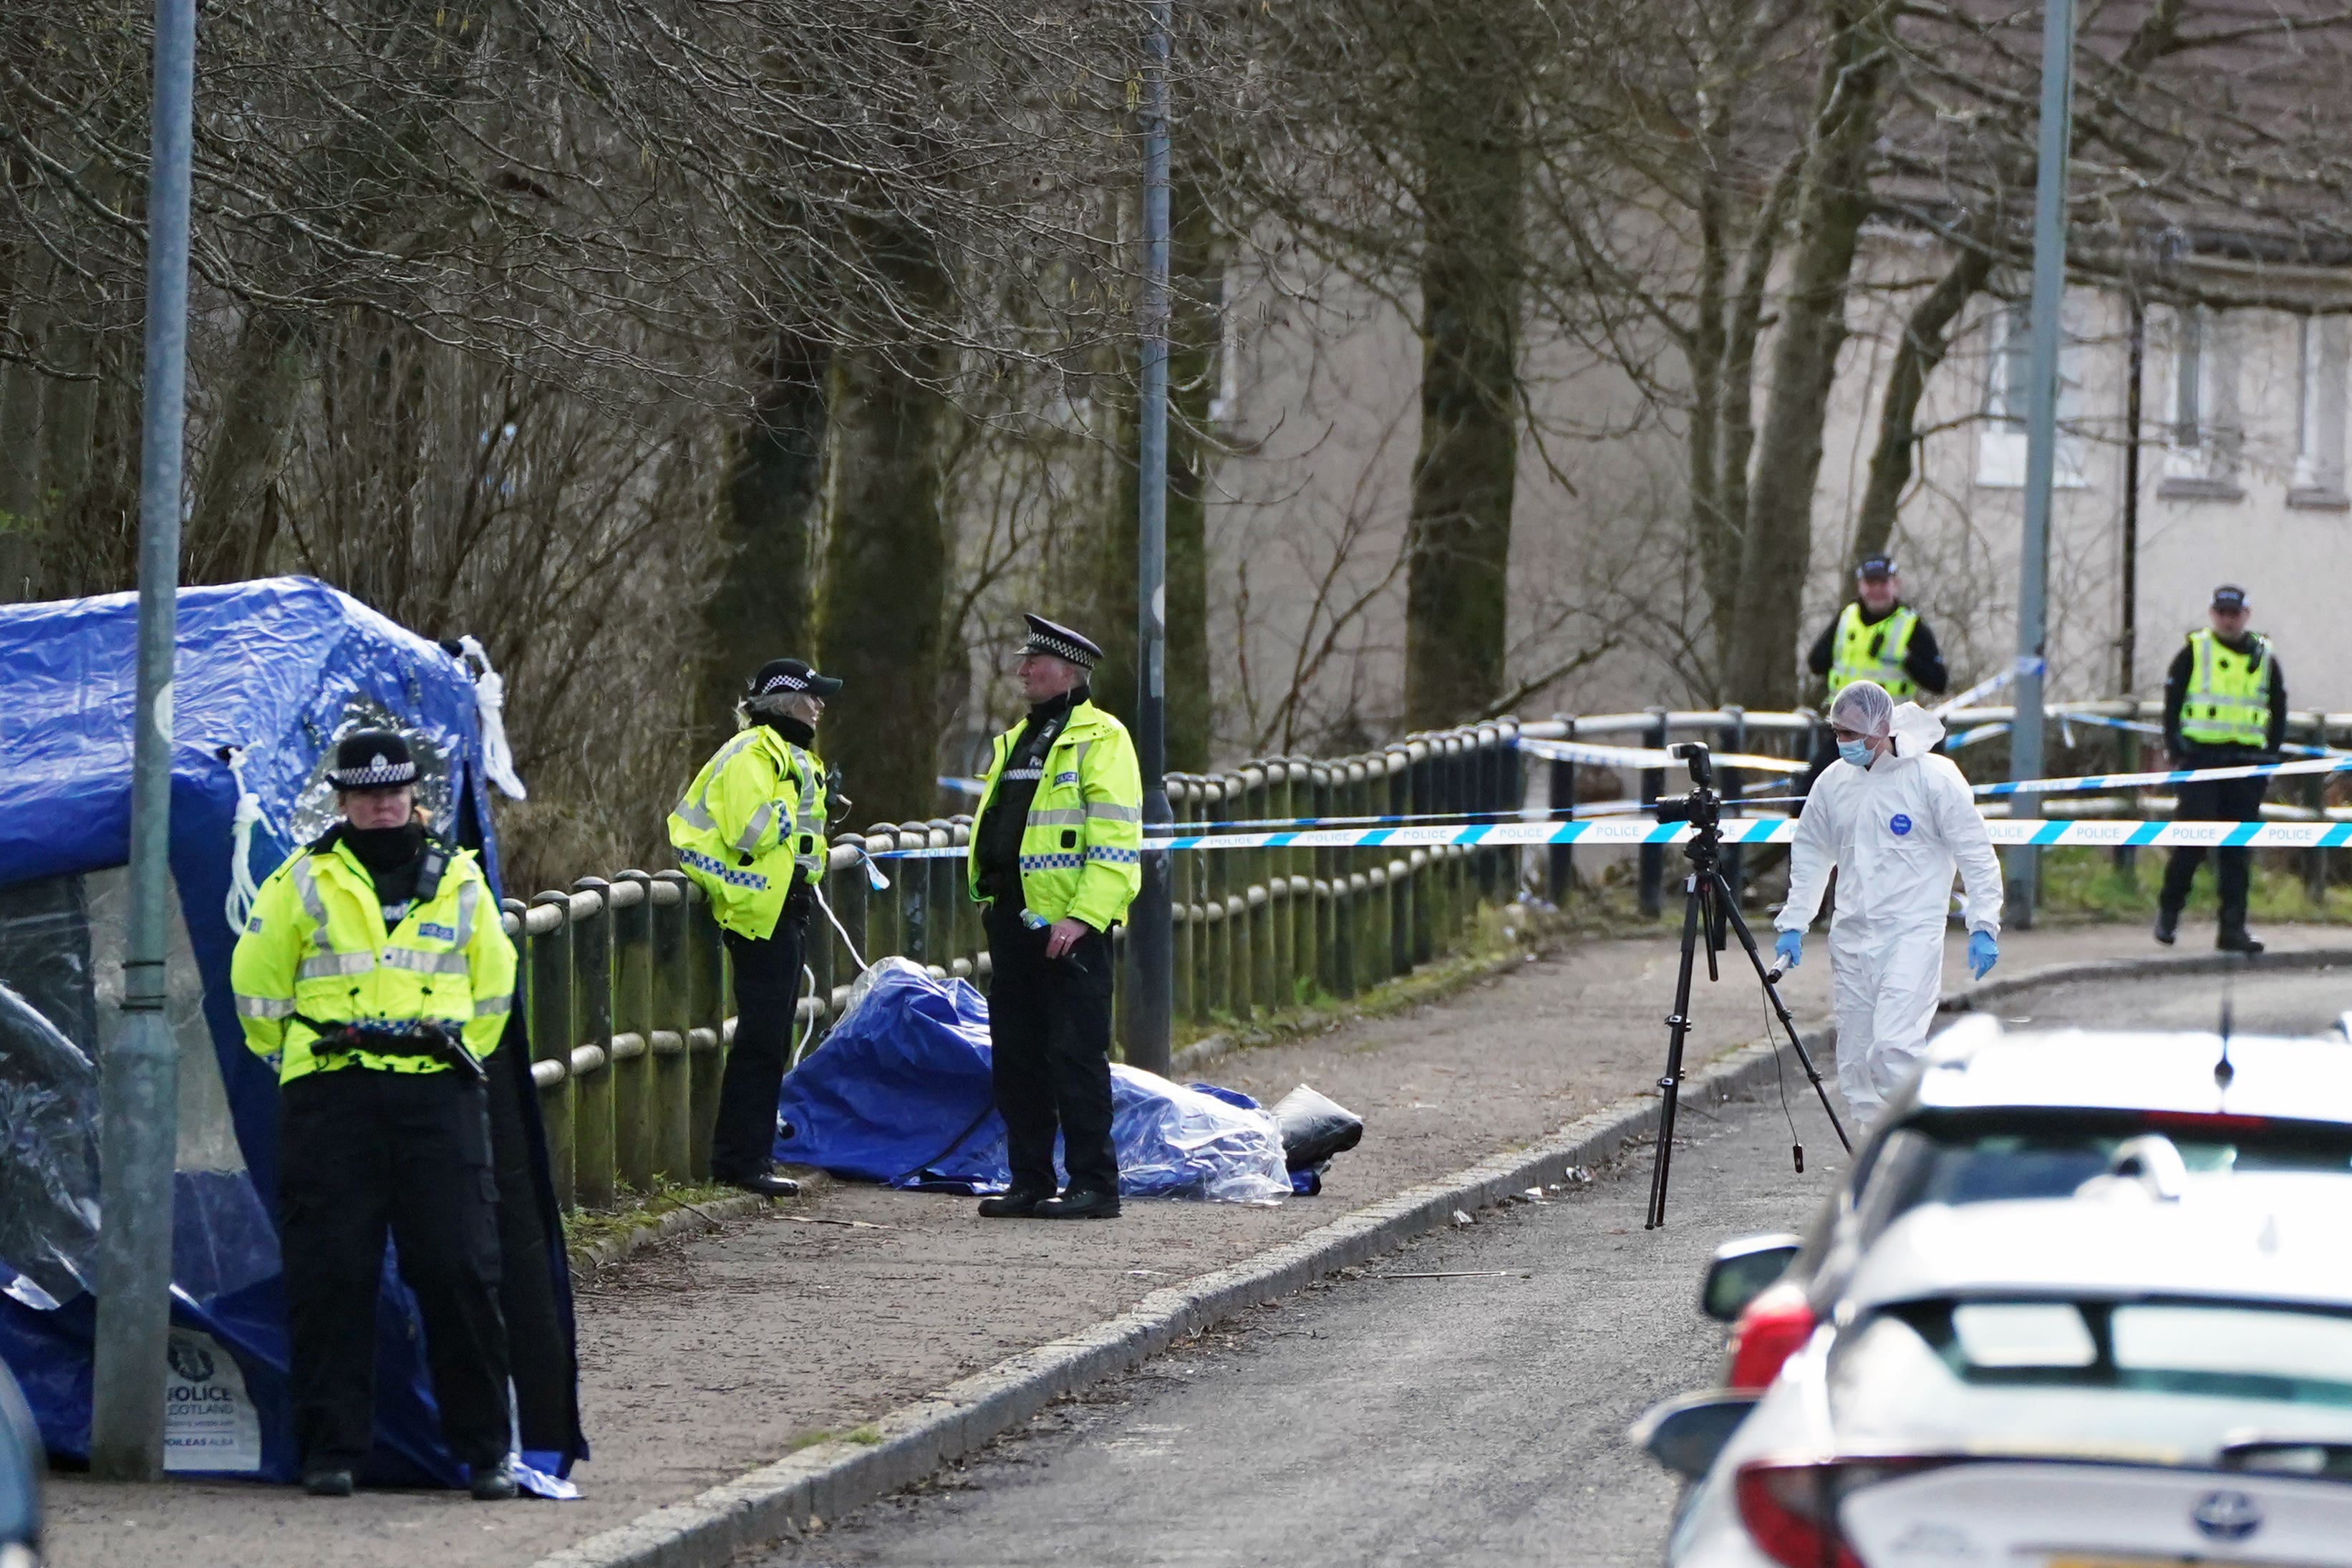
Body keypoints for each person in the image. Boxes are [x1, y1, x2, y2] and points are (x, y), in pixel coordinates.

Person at [231, 730, 520, 1500]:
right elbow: (257, 991)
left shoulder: (460, 881)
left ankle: (486, 1451)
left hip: (436, 1095)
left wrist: (451, 1058)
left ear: (413, 795)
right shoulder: (302, 881)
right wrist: (309, 1058)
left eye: (393, 791)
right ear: (345, 801)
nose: (382, 804)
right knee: (331, 1276)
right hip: (334, 1096)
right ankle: (331, 1452)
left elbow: (494, 991)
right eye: (366, 794)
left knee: (458, 1268)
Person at [965, 614, 1144, 1219]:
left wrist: (1084, 918)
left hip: (1070, 931)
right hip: (1014, 924)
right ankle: (1030, 1180)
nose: (1021, 673)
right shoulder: (1019, 739)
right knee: (1016, 1060)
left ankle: (1095, 1185)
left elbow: (1116, 842)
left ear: (1066, 670)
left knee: (1075, 1058)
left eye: (1032, 665)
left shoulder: (1102, 738)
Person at [1772, 682, 2003, 1131]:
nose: (1844, 743)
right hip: (1853, 934)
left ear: (1882, 728)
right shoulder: (1834, 783)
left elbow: (1974, 852)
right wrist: (1795, 921)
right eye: (1837, 733)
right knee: (1857, 1061)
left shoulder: (1932, 778)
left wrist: (1983, 923)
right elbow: (1812, 852)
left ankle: (1927, 1141)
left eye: (1852, 733)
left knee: (1895, 1047)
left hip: (1912, 931)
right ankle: (1873, 1160)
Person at [669, 658, 841, 1197]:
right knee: (761, 1040)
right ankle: (741, 1160)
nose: (819, 706)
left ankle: (751, 1152)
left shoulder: (786, 756)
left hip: (783, 906)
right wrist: (796, 801)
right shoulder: (754, 754)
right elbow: (751, 831)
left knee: (770, 1037)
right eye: (812, 696)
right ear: (786, 701)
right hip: (755, 910)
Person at [2157, 585, 2287, 954]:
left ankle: (2233, 928)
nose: (2228, 620)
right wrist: (2175, 748)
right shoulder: (2195, 651)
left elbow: (2278, 707)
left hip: (2247, 763)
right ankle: (2169, 912)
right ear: (2214, 615)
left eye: (2235, 614)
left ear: (2246, 615)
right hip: (2201, 759)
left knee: (2236, 849)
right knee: (2193, 839)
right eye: (2222, 613)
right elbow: (2173, 701)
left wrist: (2271, 756)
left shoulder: (2264, 657)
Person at [1801, 557, 1950, 792]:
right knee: (1811, 791)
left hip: (1890, 733)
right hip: (1845, 728)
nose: (1877, 590)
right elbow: (1816, 663)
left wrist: (1905, 658)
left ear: (1895, 584)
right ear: (1860, 585)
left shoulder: (1910, 625)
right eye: (1871, 584)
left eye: (1883, 583)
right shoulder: (1846, 618)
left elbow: (1938, 681)